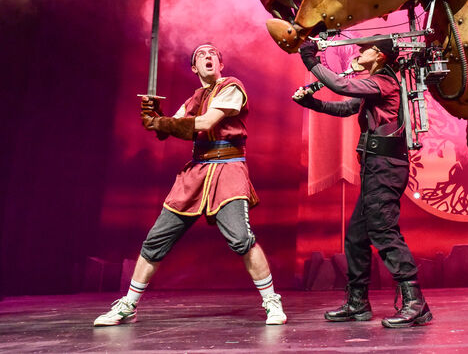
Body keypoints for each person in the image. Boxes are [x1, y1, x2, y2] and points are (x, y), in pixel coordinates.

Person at [94, 44, 287, 326]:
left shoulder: (232, 86)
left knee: (241, 239)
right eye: (201, 55)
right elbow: (168, 129)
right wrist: (154, 117)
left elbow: (206, 122)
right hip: (196, 172)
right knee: (155, 240)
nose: (208, 57)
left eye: (213, 54)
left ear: (220, 64)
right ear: (195, 68)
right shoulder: (195, 97)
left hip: (228, 168)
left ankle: (271, 301)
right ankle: (128, 305)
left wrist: (162, 122)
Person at [293, 37, 431, 328]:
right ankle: (358, 303)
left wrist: (310, 60)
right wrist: (312, 102)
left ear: (379, 56)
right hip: (376, 167)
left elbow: (342, 86)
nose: (357, 52)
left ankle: (416, 303)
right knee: (357, 236)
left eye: (363, 49)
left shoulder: (384, 81)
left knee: (383, 231)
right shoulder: (375, 83)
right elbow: (346, 108)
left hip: (385, 167)